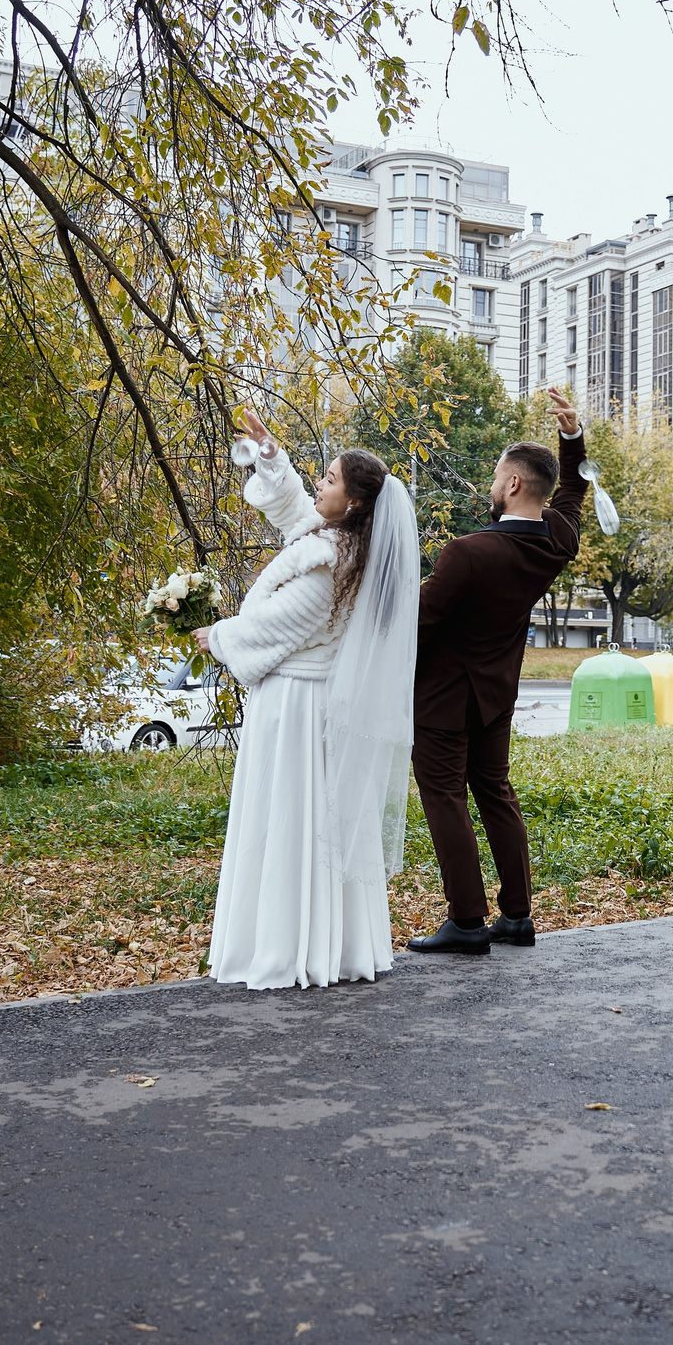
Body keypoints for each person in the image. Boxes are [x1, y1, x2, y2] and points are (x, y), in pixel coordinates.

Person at [191, 408, 416, 989]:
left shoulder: (331, 565)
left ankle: (297, 949)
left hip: (298, 706)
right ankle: (319, 942)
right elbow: (295, 512)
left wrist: (217, 636)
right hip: (296, 701)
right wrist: (270, 455)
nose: (320, 484)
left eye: (330, 479)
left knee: (295, 819)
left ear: (356, 503)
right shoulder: (339, 543)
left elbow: (277, 627)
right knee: (300, 819)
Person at [407, 388, 587, 955]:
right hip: (496, 694)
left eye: (495, 474)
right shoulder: (558, 542)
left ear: (512, 485)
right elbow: (574, 493)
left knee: (444, 798)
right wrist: (572, 438)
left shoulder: (467, 552)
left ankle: (466, 922)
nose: (490, 483)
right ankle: (516, 915)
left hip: (441, 698)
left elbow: (418, 624)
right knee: (495, 793)